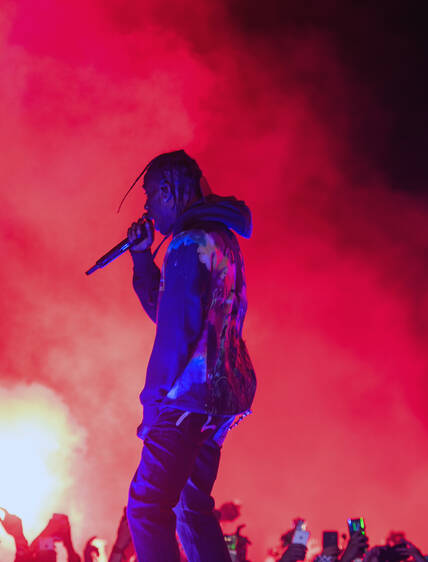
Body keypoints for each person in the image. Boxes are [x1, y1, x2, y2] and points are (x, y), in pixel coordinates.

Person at [124, 149, 256, 561]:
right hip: (222, 396)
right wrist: (143, 258)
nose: (146, 206)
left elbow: (174, 335)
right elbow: (172, 314)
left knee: (146, 506)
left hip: (187, 399)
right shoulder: (220, 240)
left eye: (149, 195)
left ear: (167, 191)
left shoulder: (186, 243)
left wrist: (152, 407)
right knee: (190, 507)